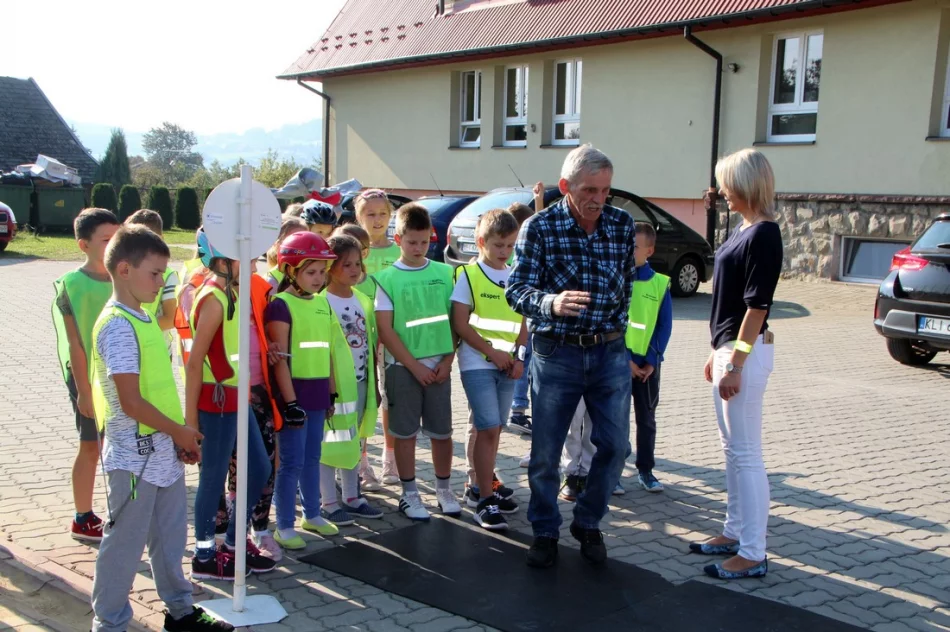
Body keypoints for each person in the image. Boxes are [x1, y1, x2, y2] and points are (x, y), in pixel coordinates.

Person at [89, 225, 229, 632]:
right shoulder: (117, 325)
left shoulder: (145, 316)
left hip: (162, 450)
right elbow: (131, 401)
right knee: (124, 546)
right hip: (132, 461)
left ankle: (181, 613)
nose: (161, 282)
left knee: (169, 539)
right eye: (155, 274)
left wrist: (178, 435)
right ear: (123, 270)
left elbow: (157, 388)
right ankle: (109, 623)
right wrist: (179, 431)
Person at [506, 144, 636, 568]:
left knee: (615, 447)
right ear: (565, 187)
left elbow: (626, 286)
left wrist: (618, 337)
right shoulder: (540, 228)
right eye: (589, 190)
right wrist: (552, 303)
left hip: (610, 351)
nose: (599, 199)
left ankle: (588, 520)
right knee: (545, 452)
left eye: (605, 190)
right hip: (556, 351)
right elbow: (517, 291)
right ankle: (545, 530)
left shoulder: (621, 225)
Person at [691, 149, 782, 580]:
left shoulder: (764, 234)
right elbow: (729, 302)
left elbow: (756, 307)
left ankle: (754, 552)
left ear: (746, 184)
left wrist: (737, 362)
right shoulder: (745, 229)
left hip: (745, 353)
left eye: (726, 184)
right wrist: (718, 351)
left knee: (747, 455)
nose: (721, 192)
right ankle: (733, 532)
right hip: (730, 350)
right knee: (733, 452)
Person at [186, 229, 277, 579]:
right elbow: (195, 363)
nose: (254, 263)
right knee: (212, 479)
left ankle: (235, 547)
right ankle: (205, 556)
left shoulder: (232, 293)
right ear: (222, 262)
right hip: (217, 401)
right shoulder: (213, 298)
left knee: (259, 468)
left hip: (238, 398)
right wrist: (190, 421)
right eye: (247, 257)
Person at [374, 203, 461, 521]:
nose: (418, 248)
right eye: (412, 241)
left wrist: (447, 361)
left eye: (424, 242)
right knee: (405, 433)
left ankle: (443, 489)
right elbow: (386, 328)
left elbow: (456, 322)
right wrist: (414, 366)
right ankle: (409, 495)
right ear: (398, 239)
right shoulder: (386, 278)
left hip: (439, 368)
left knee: (442, 433)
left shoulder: (445, 273)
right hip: (403, 369)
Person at [265, 231, 342, 549]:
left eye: (322, 272)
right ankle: (284, 525)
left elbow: (329, 351)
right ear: (290, 271)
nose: (318, 278)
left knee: (314, 456)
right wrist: (290, 401)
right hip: (293, 396)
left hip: (317, 393)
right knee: (292, 461)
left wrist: (332, 392)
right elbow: (280, 358)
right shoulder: (280, 306)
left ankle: (313, 514)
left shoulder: (323, 304)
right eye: (311, 272)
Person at [452, 210, 526, 531]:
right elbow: (460, 323)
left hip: (508, 366)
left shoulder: (516, 276)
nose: (504, 252)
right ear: (481, 242)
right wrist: (492, 353)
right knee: (488, 427)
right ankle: (484, 500)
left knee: (494, 430)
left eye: (510, 246)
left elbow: (523, 324)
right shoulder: (469, 276)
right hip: (477, 364)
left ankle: (481, 487)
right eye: (498, 245)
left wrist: (519, 357)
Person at [52, 208, 120, 542]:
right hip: (87, 378)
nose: (114, 245)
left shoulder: (125, 275)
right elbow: (75, 344)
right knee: (91, 446)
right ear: (83, 245)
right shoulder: (72, 286)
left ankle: (122, 511)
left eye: (117, 237)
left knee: (119, 446)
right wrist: (83, 391)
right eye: (107, 240)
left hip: (123, 376)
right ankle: (82, 516)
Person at [319, 234, 384, 523]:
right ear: (330, 267)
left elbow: (370, 344)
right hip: (335, 388)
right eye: (347, 265)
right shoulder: (321, 301)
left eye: (358, 263)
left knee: (353, 441)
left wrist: (375, 386)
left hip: (360, 384)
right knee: (329, 444)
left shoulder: (363, 299)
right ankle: (328, 501)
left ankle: (352, 496)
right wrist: (328, 388)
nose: (355, 269)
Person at [354, 189, 401, 487]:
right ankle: (361, 462)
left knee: (389, 398)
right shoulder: (352, 250)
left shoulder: (398, 251)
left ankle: (391, 460)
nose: (377, 219)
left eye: (382, 213)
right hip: (359, 337)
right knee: (362, 399)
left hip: (391, 336)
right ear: (358, 217)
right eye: (370, 214)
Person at [627, 222, 673, 494]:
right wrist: (626, 360)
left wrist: (651, 362)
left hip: (647, 367)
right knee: (614, 421)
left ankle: (645, 470)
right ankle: (613, 470)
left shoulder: (660, 284)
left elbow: (663, 326)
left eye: (633, 247)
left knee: (646, 419)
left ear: (649, 250)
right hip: (620, 363)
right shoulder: (617, 279)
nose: (628, 250)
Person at [508, 186, 543, 441]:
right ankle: (518, 410)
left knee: (525, 361)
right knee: (525, 360)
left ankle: (518, 409)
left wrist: (539, 201)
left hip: (523, 317)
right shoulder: (517, 254)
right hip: (523, 318)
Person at [125, 210, 179, 354]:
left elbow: (170, 319)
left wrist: (133, 326)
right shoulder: (123, 269)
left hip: (157, 352)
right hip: (127, 349)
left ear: (160, 239)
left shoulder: (169, 276)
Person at [264, 216, 308, 291]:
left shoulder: (313, 277)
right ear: (277, 244)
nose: (300, 248)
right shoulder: (270, 283)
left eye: (305, 241)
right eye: (294, 241)